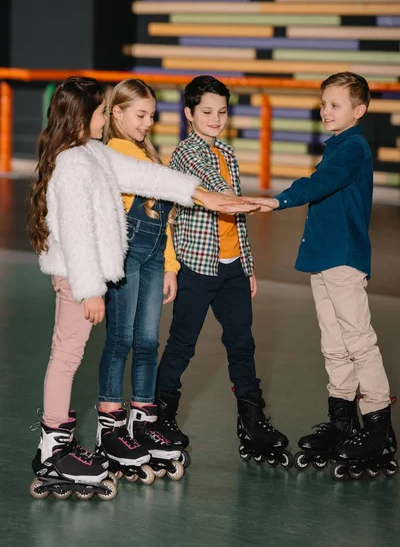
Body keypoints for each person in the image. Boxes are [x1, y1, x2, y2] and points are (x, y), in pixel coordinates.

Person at [27, 76, 257, 499]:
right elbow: (76, 232)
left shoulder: (91, 153)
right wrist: (90, 289)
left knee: (69, 355)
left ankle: (56, 444)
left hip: (86, 275)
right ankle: (53, 450)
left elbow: (147, 177)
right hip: (78, 276)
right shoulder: (74, 163)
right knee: (66, 357)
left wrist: (206, 197)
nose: (104, 119)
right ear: (84, 116)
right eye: (100, 112)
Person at [251, 72, 397, 480]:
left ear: (359, 110)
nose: (325, 110)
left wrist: (279, 199)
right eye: (323, 103)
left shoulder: (352, 148)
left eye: (335, 104)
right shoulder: (336, 145)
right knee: (333, 343)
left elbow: (322, 184)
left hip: (344, 259)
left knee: (358, 341)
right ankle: (341, 421)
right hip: (323, 258)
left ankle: (378, 430)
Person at [155, 75, 292, 469]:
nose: (216, 119)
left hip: (231, 268)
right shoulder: (186, 154)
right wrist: (267, 202)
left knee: (242, 345)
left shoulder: (227, 153)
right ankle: (159, 416)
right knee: (182, 343)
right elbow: (220, 197)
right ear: (189, 114)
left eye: (221, 111)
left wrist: (247, 265)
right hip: (196, 267)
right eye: (207, 112)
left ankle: (252, 421)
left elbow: (237, 221)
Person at [95, 79, 187, 482]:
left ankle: (143, 420)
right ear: (116, 113)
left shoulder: (147, 153)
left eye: (152, 116)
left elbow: (162, 217)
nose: (148, 123)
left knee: (149, 340)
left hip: (152, 258)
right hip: (126, 257)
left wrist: (170, 265)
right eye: (141, 115)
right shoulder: (115, 151)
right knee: (122, 339)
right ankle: (110, 425)